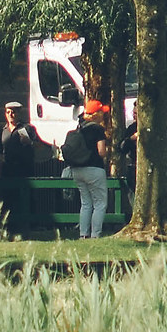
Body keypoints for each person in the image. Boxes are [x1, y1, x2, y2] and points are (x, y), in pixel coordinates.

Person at [0, 101, 52, 233]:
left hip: (24, 167)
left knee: (27, 196)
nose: (11, 114)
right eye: (8, 112)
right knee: (8, 196)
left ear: (19, 113)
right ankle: (9, 225)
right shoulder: (2, 130)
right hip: (8, 168)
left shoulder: (27, 128)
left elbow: (40, 145)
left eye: (14, 111)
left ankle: (31, 225)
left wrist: (30, 142)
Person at [61, 99, 111, 237]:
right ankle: (96, 234)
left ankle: (83, 234)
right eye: (101, 111)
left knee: (86, 203)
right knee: (100, 203)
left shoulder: (79, 128)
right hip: (94, 168)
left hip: (77, 170)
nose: (103, 114)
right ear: (96, 114)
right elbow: (101, 152)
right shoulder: (98, 129)